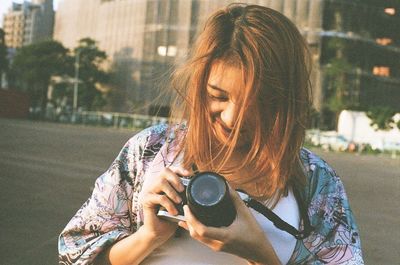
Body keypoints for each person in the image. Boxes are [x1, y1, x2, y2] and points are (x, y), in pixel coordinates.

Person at [59, 4, 364, 265]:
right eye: (217, 96)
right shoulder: (148, 151)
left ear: (286, 101)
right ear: (198, 84)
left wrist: (258, 252)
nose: (232, 117)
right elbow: (73, 254)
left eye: (255, 103)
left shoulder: (315, 181)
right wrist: (149, 236)